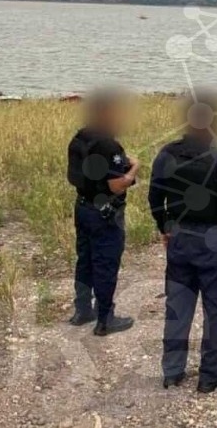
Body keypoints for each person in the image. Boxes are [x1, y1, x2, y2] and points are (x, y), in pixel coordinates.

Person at [148, 92, 217, 393]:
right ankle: (211, 373)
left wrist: (165, 227)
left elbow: (155, 197)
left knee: (178, 306)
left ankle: (172, 370)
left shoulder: (166, 154)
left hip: (179, 237)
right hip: (213, 239)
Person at [66, 88, 139, 336]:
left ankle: (82, 310)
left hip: (82, 206)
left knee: (85, 260)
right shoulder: (108, 145)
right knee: (105, 262)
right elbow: (117, 185)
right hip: (105, 213)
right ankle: (105, 319)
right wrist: (134, 168)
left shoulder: (79, 138)